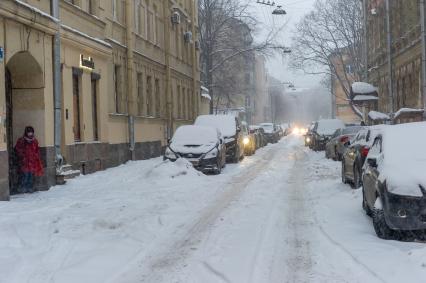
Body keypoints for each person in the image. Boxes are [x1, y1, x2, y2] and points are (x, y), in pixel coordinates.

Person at [14, 126, 44, 193]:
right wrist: (22, 156)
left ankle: (29, 187)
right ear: (26, 133)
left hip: (32, 162)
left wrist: (36, 156)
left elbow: (37, 150)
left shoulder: (35, 141)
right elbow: (17, 149)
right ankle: (22, 188)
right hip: (24, 162)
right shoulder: (21, 141)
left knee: (31, 176)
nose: (30, 134)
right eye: (29, 132)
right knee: (25, 175)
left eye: (31, 132)